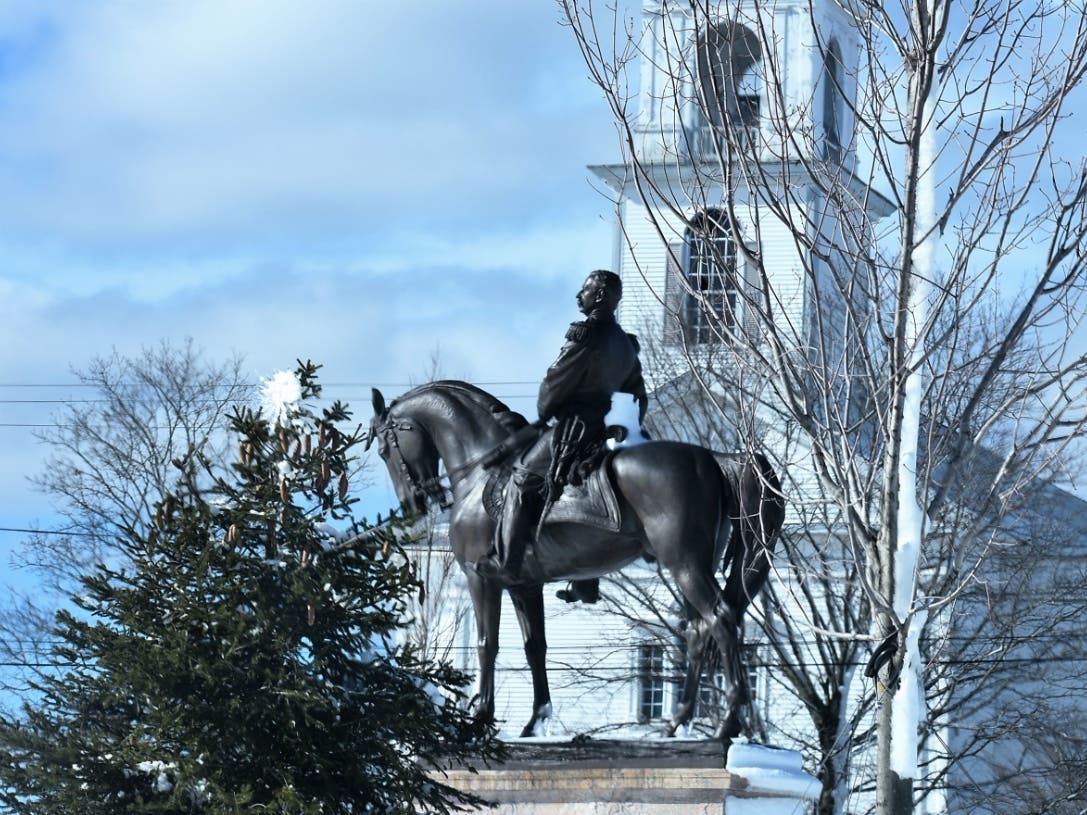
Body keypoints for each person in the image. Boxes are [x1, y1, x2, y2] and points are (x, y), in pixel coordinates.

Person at [473, 271, 648, 587]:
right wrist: (622, 426)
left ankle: (506, 561)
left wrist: (546, 410)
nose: (579, 295)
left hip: (575, 428)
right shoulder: (626, 345)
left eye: (585, 290)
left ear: (599, 296)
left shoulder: (586, 334)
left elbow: (556, 379)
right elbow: (639, 395)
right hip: (606, 428)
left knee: (522, 476)